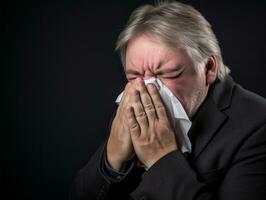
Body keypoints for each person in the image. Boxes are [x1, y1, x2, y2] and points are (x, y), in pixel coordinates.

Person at [70, 1, 266, 200]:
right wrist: (111, 159)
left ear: (208, 68)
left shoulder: (258, 124)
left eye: (167, 74)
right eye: (134, 75)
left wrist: (160, 158)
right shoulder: (135, 105)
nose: (149, 89)